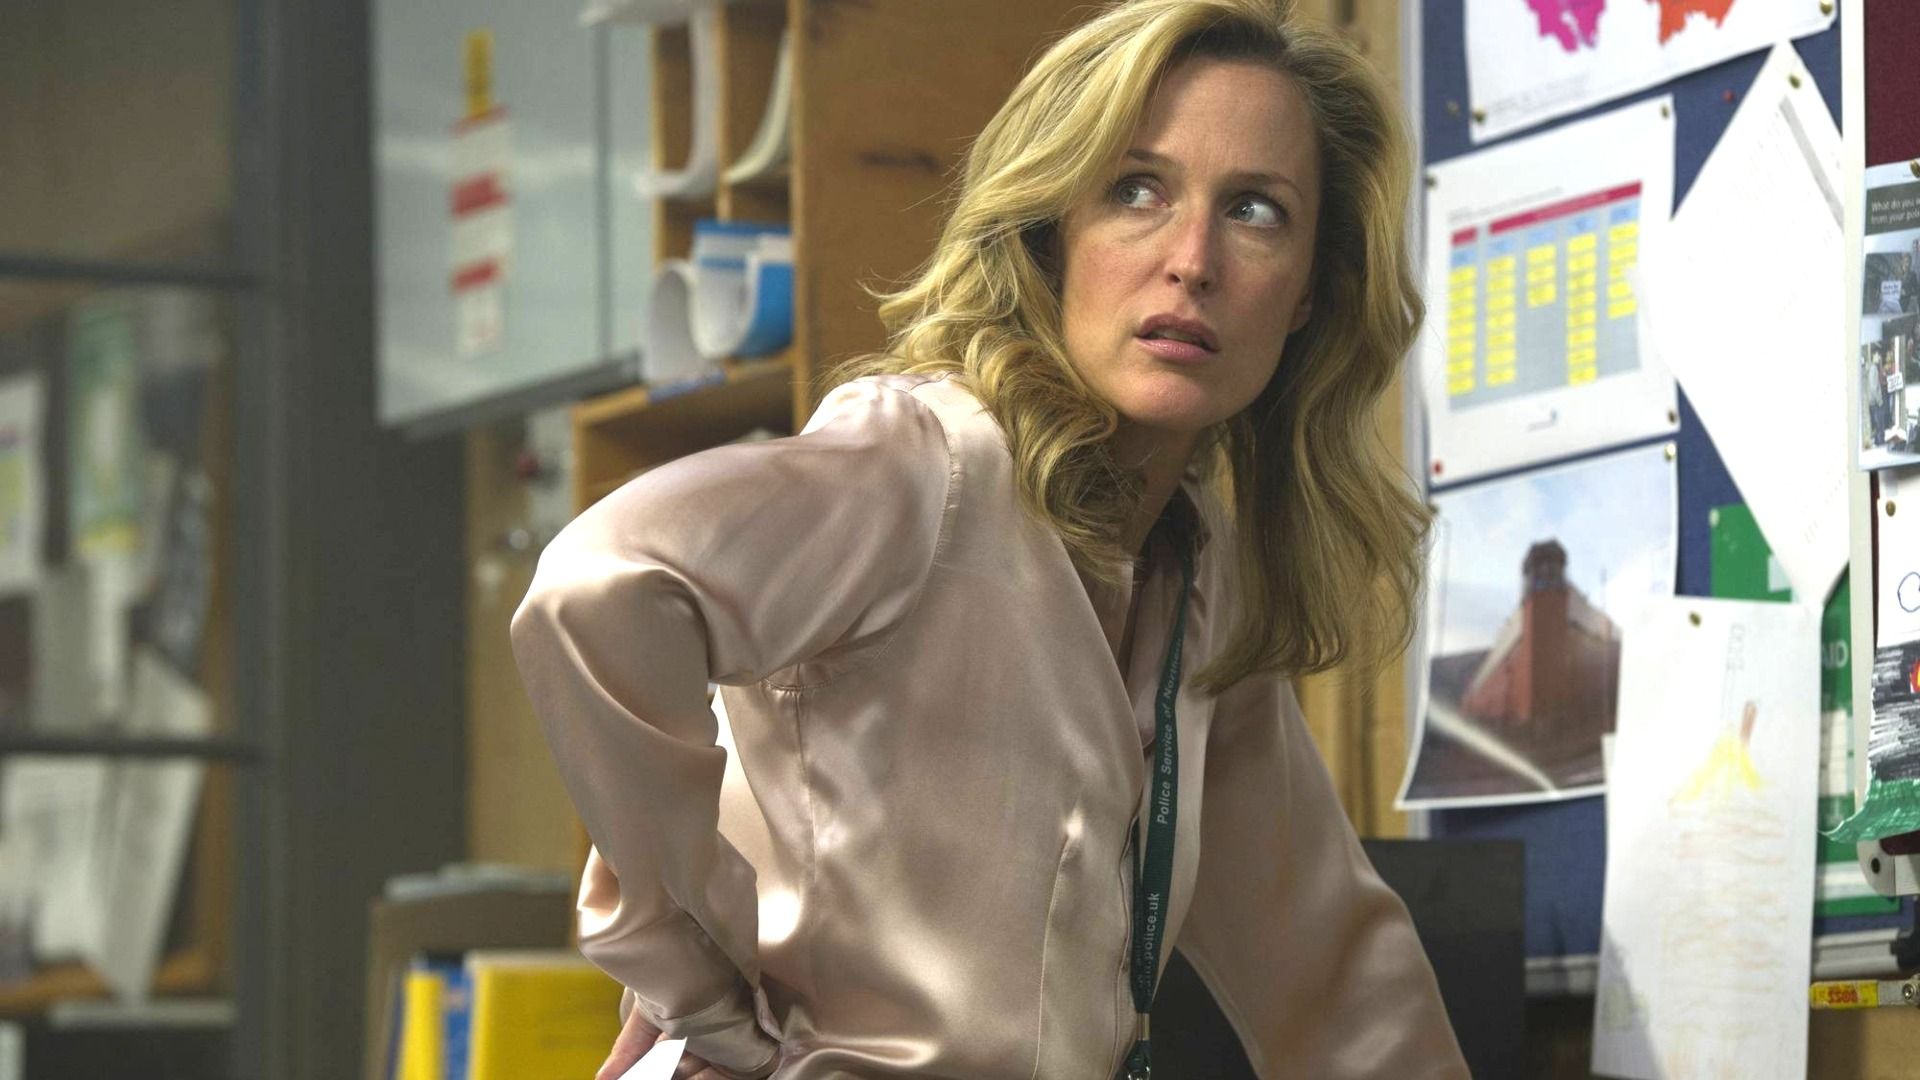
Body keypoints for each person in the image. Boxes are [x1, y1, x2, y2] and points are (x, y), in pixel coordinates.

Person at [511, 1, 1467, 1076]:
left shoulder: (1197, 574)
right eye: (1136, 190)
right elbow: (600, 582)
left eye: (1255, 210)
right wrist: (693, 978)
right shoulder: (924, 464)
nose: (1192, 260)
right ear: (1052, 231)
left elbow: (1334, 973)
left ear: (1307, 296)